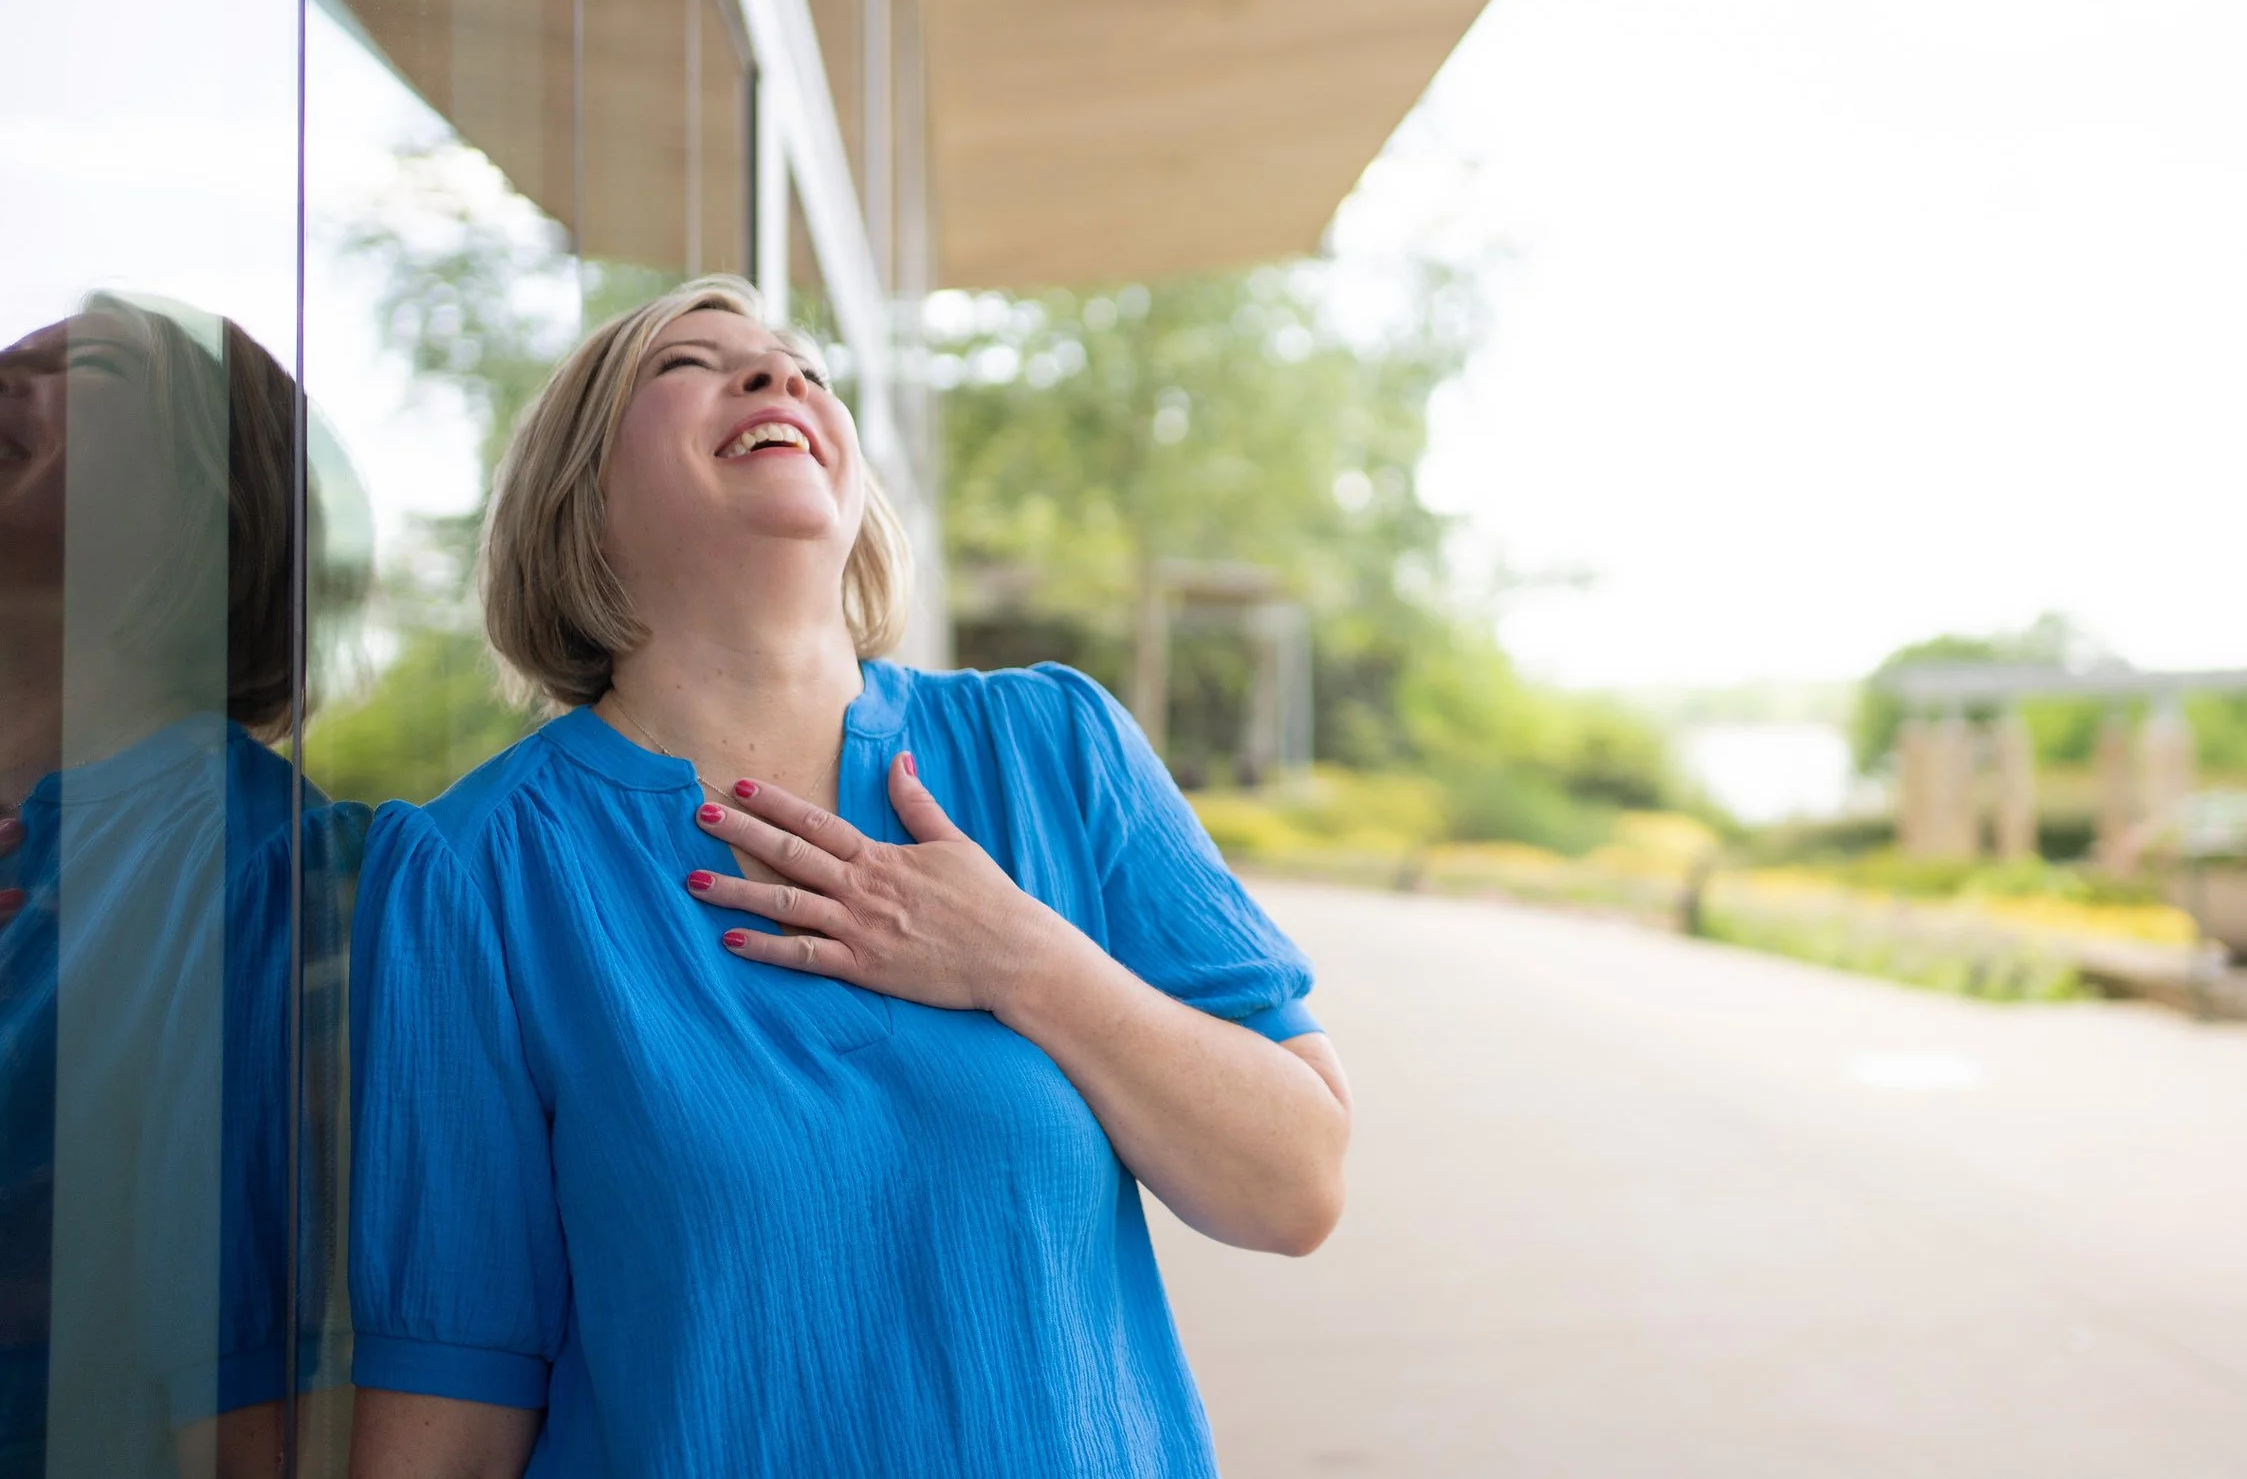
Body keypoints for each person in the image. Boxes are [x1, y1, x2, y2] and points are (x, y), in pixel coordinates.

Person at [348, 275, 1352, 1478]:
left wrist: (1018, 959)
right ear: (582, 502)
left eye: (803, 367)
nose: (780, 378)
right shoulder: (476, 877)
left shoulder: (1057, 751)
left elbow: (1295, 1183)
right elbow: (449, 1402)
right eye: (690, 364)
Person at [0, 296, 357, 1478]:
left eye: (80, 363)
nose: (6, 373)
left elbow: (255, 1401)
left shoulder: (264, 870)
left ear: (209, 497)